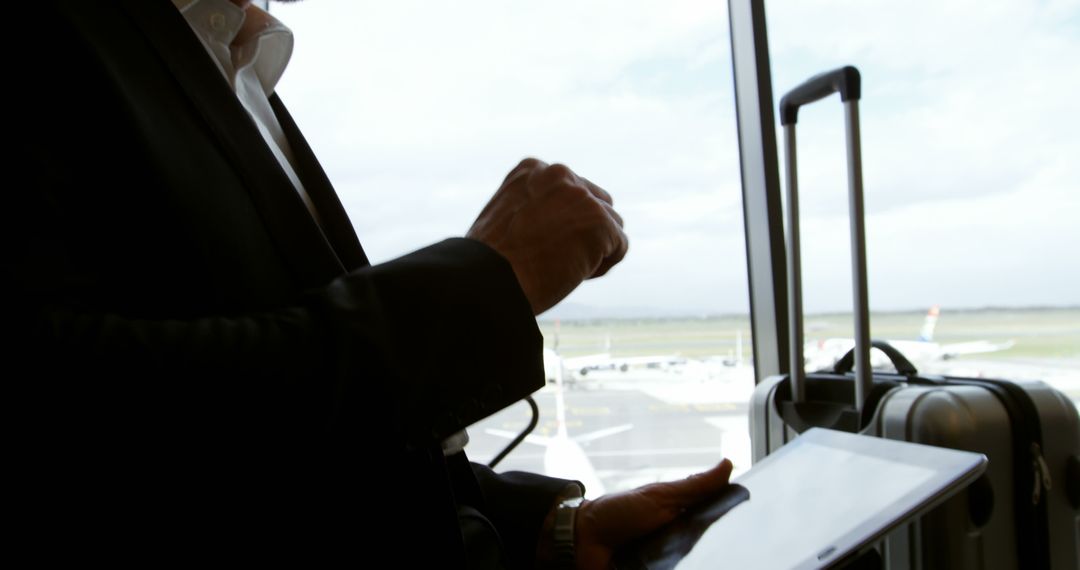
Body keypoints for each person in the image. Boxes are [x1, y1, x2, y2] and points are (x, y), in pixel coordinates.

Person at [6, 1, 733, 567]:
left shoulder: (231, 56)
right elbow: (76, 406)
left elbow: (309, 435)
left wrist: (546, 528)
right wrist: (484, 283)